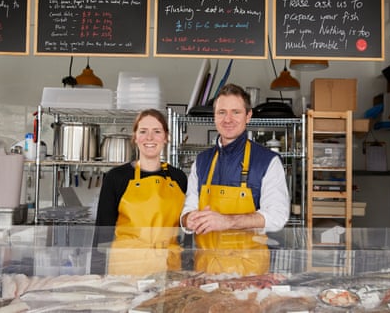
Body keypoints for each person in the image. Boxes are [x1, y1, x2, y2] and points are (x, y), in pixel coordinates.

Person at [180, 83, 290, 276]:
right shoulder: (202, 161)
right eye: (221, 112)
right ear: (214, 116)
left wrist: (227, 222)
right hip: (205, 270)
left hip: (249, 272)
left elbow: (277, 216)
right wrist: (189, 219)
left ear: (248, 116)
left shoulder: (268, 161)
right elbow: (188, 209)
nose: (228, 119)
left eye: (235, 112)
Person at [92, 109, 187, 275]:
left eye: (157, 131)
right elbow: (102, 234)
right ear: (135, 137)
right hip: (127, 269)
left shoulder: (178, 178)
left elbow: (185, 232)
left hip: (168, 269)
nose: (149, 138)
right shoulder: (116, 177)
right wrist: (97, 277)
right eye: (143, 131)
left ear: (166, 137)